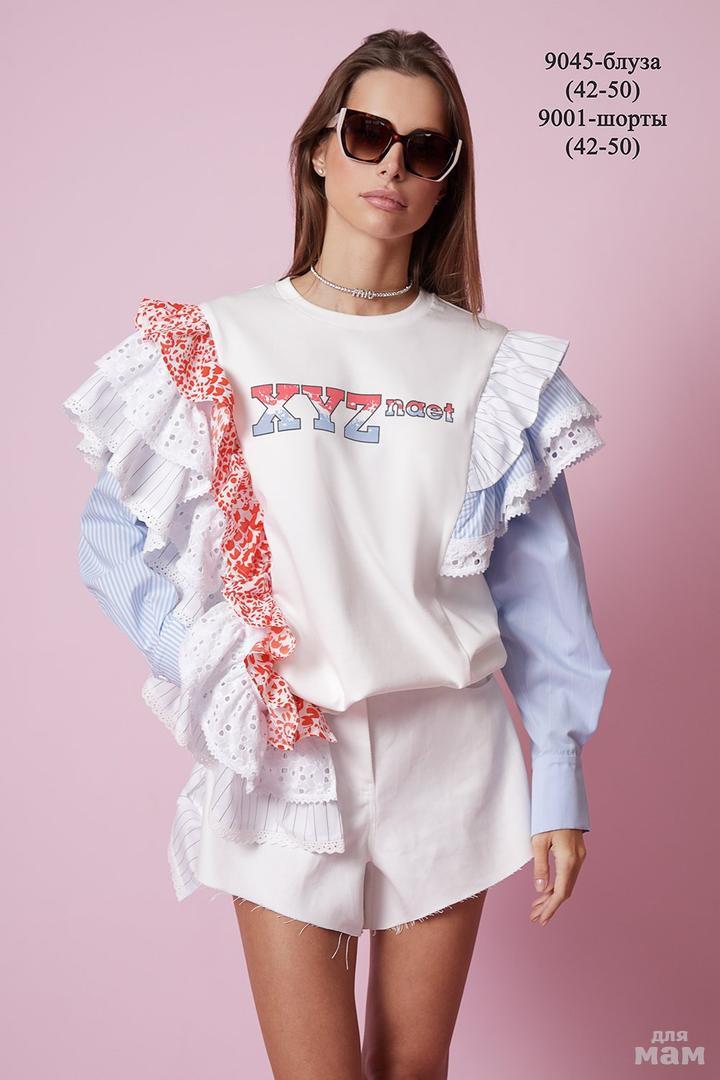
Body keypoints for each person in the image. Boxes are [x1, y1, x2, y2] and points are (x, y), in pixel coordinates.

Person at [62, 28, 612, 1080]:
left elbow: (543, 595)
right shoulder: (220, 342)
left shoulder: (492, 370)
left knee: (413, 1071)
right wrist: (219, 671)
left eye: (425, 147)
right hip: (288, 761)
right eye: (368, 135)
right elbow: (112, 539)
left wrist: (561, 780)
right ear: (319, 148)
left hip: (450, 753)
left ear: (447, 177)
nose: (392, 165)